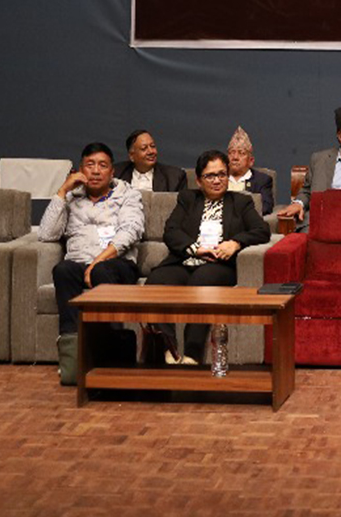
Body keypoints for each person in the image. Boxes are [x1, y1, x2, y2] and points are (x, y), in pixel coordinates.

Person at [147, 149, 270, 362]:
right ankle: (169, 349)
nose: (217, 181)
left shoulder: (241, 202)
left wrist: (236, 242)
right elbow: (171, 231)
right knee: (156, 281)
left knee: (203, 281)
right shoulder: (188, 199)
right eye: (210, 176)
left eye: (222, 174)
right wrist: (195, 248)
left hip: (219, 266)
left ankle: (192, 354)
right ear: (199, 180)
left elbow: (262, 230)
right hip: (186, 260)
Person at [38, 142, 145, 385]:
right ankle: (73, 356)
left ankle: (109, 352)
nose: (96, 171)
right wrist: (62, 191)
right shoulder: (72, 198)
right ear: (80, 170)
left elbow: (130, 231)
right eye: (90, 165)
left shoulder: (128, 195)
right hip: (78, 262)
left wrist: (96, 262)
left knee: (102, 271)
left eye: (102, 166)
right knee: (62, 270)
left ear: (112, 172)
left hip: (117, 264)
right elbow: (46, 234)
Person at [114, 129, 187, 194]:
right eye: (144, 148)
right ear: (132, 156)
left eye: (153, 146)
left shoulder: (174, 178)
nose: (151, 151)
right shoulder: (116, 174)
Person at [226, 126, 275, 216]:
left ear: (251, 161)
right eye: (232, 152)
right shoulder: (218, 178)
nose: (235, 157)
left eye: (241, 153)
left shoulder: (262, 181)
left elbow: (266, 207)